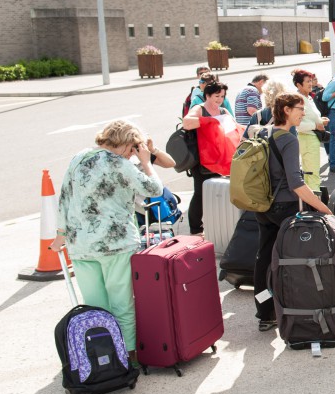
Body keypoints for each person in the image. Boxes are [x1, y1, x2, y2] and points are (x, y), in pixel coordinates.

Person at [51, 120, 164, 361]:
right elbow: (154, 189)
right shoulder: (119, 163)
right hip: (116, 243)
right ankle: (129, 355)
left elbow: (65, 197)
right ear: (127, 145)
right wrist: (145, 161)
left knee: (95, 306)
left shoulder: (79, 157)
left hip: (80, 244)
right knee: (122, 303)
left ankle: (104, 356)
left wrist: (61, 234)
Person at [253, 93, 332, 332]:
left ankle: (265, 312)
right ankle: (295, 307)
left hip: (263, 205)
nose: (303, 113)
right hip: (284, 207)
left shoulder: (264, 133)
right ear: (286, 110)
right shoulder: (288, 139)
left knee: (264, 258)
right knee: (291, 261)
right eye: (300, 108)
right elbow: (296, 183)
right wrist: (323, 208)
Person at [182, 80, 240, 235]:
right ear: (207, 95)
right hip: (201, 159)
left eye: (222, 96)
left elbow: (234, 129)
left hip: (220, 158)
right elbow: (186, 123)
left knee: (219, 191)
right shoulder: (199, 109)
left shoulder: (223, 112)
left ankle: (218, 225)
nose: (219, 99)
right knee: (200, 193)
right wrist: (209, 122)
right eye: (216, 96)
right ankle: (196, 229)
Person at [292, 69, 328, 194]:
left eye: (311, 80)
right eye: (307, 81)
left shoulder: (308, 98)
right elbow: (297, 124)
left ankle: (311, 204)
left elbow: (309, 117)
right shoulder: (298, 100)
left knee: (311, 174)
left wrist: (320, 121)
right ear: (298, 85)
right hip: (307, 139)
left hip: (311, 139)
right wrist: (316, 125)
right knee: (312, 174)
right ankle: (314, 206)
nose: (311, 83)